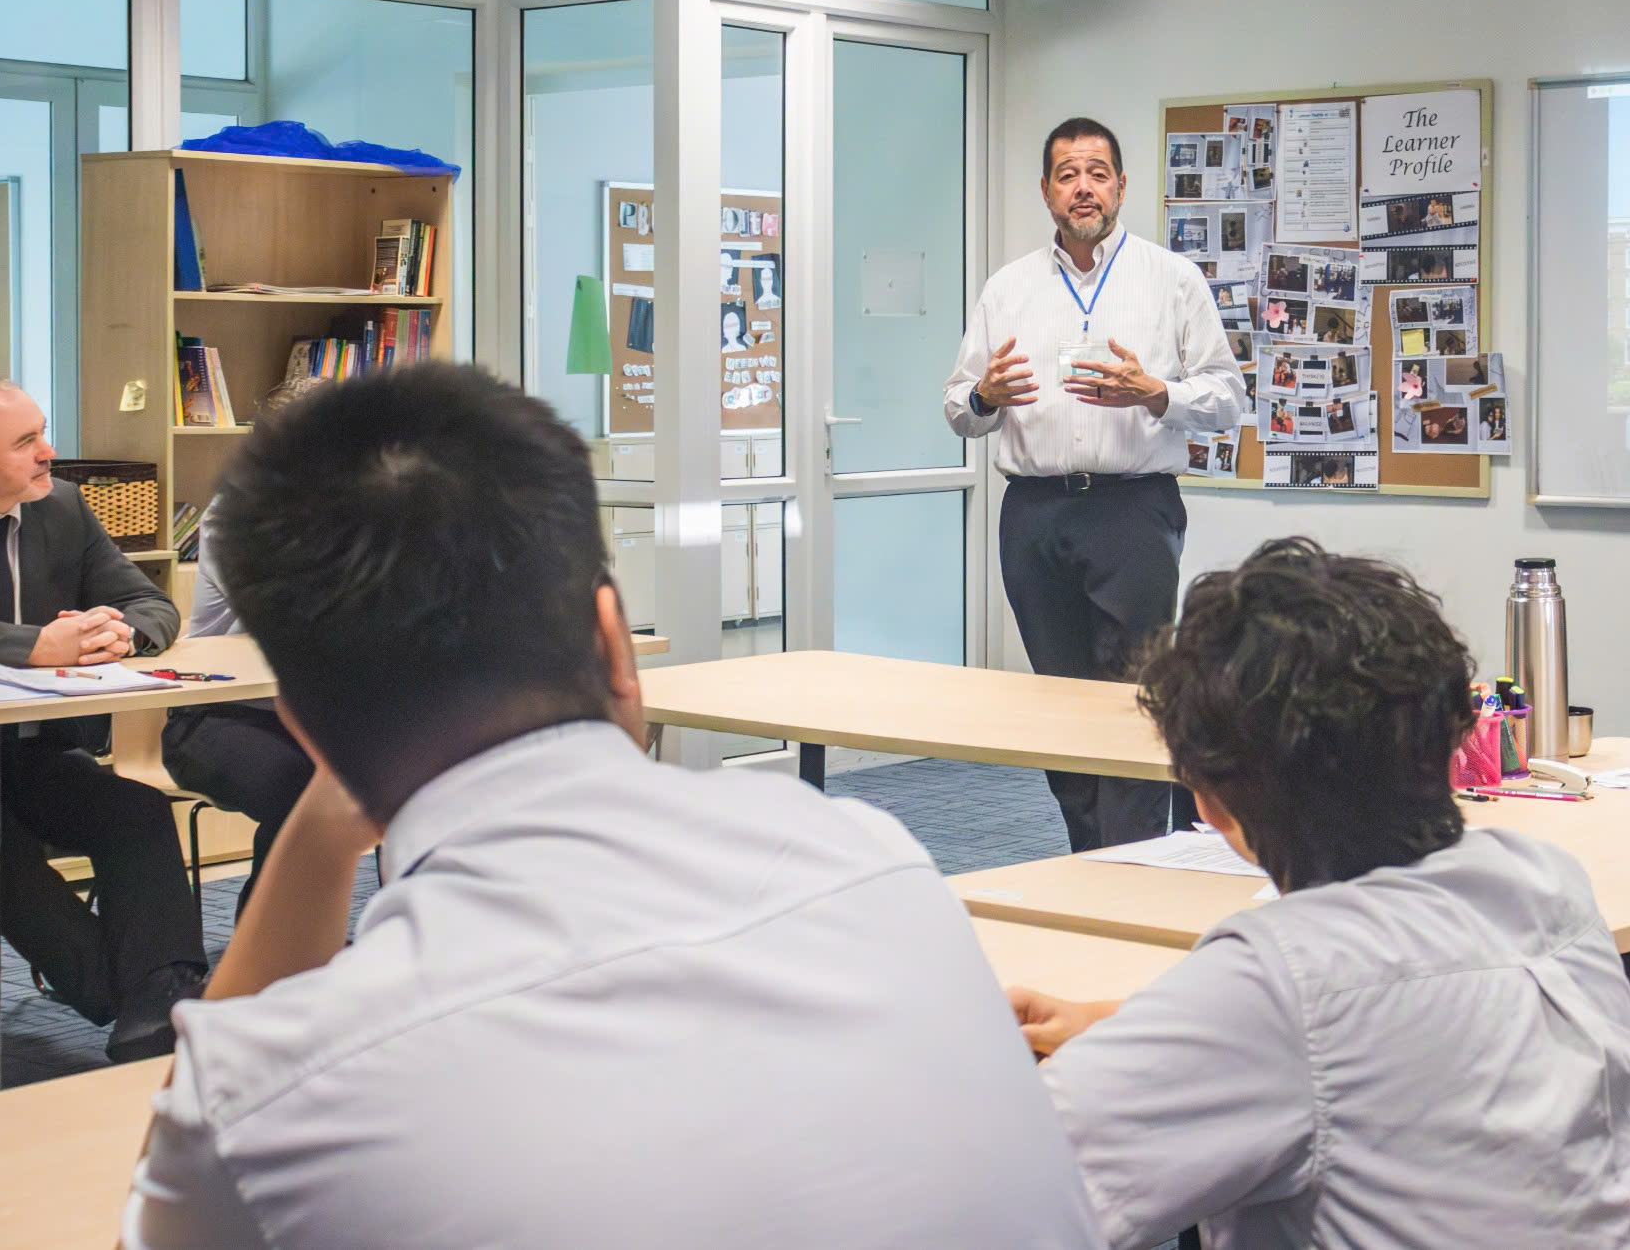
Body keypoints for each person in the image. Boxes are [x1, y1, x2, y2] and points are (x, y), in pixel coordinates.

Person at [121, 364, 1101, 1250]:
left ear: (300, 720)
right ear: (613, 635)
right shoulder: (879, 864)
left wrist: (325, 826)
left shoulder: (270, 1091)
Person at [1007, 539, 1630, 1250]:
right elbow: (1391, 1010)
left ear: (1206, 799)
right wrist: (1139, 1026)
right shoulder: (1548, 883)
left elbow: (995, 1191)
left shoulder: (1278, 980)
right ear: (1450, 741)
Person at [944, 117, 1244, 852]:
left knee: (1134, 696)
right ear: (1047, 190)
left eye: (1098, 172)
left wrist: (1156, 392)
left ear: (1121, 186)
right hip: (1035, 512)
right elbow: (959, 408)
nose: (1084, 186)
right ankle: (1094, 849)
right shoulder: (1007, 287)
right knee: (1060, 696)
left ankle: (1136, 856)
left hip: (1132, 509)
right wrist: (983, 394)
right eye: (1068, 173)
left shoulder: (1171, 279)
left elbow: (1228, 396)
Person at [0, 374, 203, 1060]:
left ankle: (160, 1006)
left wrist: (120, 634)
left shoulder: (64, 509)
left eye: (43, 432)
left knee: (134, 808)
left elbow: (153, 604)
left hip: (32, 752)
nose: (49, 452)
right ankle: (111, 989)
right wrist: (30, 644)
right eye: (25, 441)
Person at [160, 377, 326, 911]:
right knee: (307, 786)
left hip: (322, 715)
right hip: (220, 718)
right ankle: (274, 952)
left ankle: (409, 949)